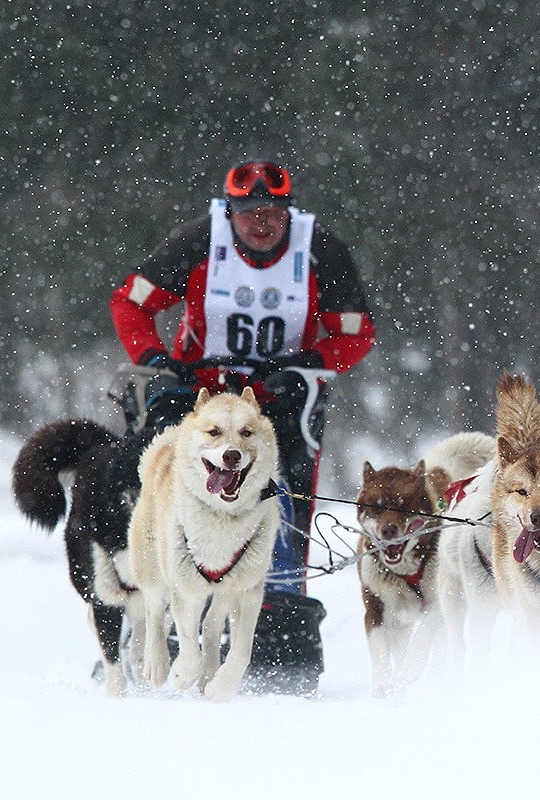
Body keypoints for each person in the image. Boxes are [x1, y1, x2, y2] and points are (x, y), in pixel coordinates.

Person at [109, 159, 377, 692]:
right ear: (229, 213)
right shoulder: (196, 241)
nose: (261, 222)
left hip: (278, 397)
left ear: (289, 212)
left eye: (273, 212)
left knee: (284, 495)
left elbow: (356, 331)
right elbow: (131, 302)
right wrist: (156, 359)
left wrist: (309, 364)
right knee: (156, 484)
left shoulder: (319, 249)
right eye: (249, 212)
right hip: (198, 394)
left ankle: (277, 619)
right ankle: (145, 616)